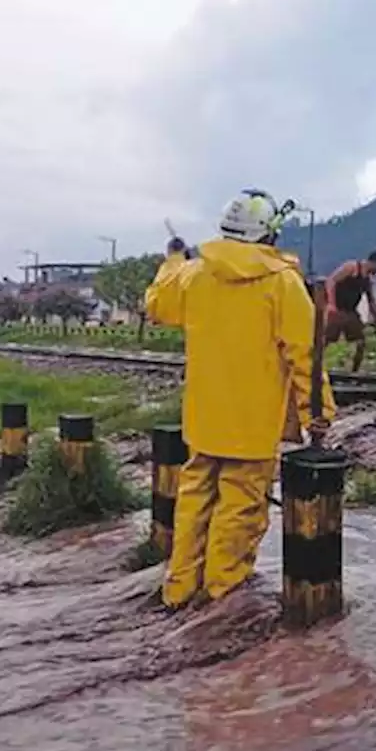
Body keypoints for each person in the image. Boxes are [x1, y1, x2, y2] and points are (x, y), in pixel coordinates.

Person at [145, 189, 336, 610]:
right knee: (240, 512)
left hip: (203, 419)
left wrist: (172, 259)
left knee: (193, 504)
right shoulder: (281, 282)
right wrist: (316, 413)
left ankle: (178, 593)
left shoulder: (194, 275)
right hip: (252, 426)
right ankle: (220, 601)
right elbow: (303, 353)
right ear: (268, 234)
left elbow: (156, 303)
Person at [324, 250, 376, 372]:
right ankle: (312, 365)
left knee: (360, 342)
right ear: (373, 263)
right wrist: (331, 304)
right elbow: (331, 281)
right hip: (338, 308)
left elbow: (371, 299)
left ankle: (354, 371)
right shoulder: (351, 267)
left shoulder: (367, 279)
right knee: (327, 339)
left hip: (351, 311)